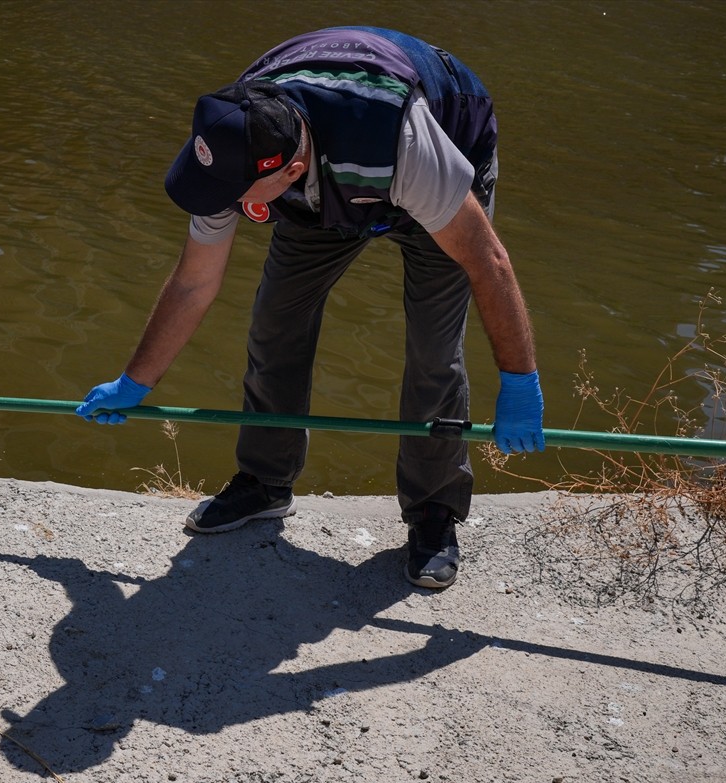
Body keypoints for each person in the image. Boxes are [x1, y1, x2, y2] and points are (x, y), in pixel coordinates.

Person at [76, 26, 545, 589]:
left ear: (288, 173)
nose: (222, 204)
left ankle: (433, 512)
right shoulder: (233, 136)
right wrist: (135, 381)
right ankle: (264, 483)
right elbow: (193, 284)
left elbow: (488, 263)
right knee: (275, 322)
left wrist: (520, 381)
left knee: (433, 350)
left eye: (238, 195)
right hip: (328, 187)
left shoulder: (405, 143)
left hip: (429, 158)